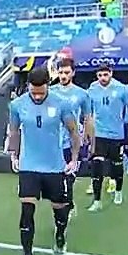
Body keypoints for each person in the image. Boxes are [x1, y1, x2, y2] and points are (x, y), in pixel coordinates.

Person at [7, 68, 82, 255]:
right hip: (29, 166)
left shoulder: (61, 103)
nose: (37, 96)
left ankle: (60, 233)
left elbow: (74, 131)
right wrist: (13, 154)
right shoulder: (17, 105)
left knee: (60, 209)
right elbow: (13, 131)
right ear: (28, 87)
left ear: (48, 85)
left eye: (41, 92)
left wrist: (74, 159)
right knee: (26, 210)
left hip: (54, 166)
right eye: (34, 92)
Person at [85, 63, 128, 211]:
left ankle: (118, 192)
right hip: (99, 134)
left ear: (111, 73)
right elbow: (89, 113)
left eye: (105, 75)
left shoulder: (121, 89)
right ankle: (97, 200)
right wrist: (87, 132)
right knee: (97, 166)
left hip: (116, 134)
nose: (103, 78)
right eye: (100, 75)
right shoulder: (92, 89)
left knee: (116, 166)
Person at [49, 57, 90, 201]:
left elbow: (87, 117)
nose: (63, 76)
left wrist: (87, 135)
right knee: (55, 178)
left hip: (71, 141)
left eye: (66, 72)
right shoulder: (50, 92)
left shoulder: (82, 94)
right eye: (60, 73)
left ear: (73, 73)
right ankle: (63, 204)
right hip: (52, 141)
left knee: (69, 176)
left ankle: (68, 204)